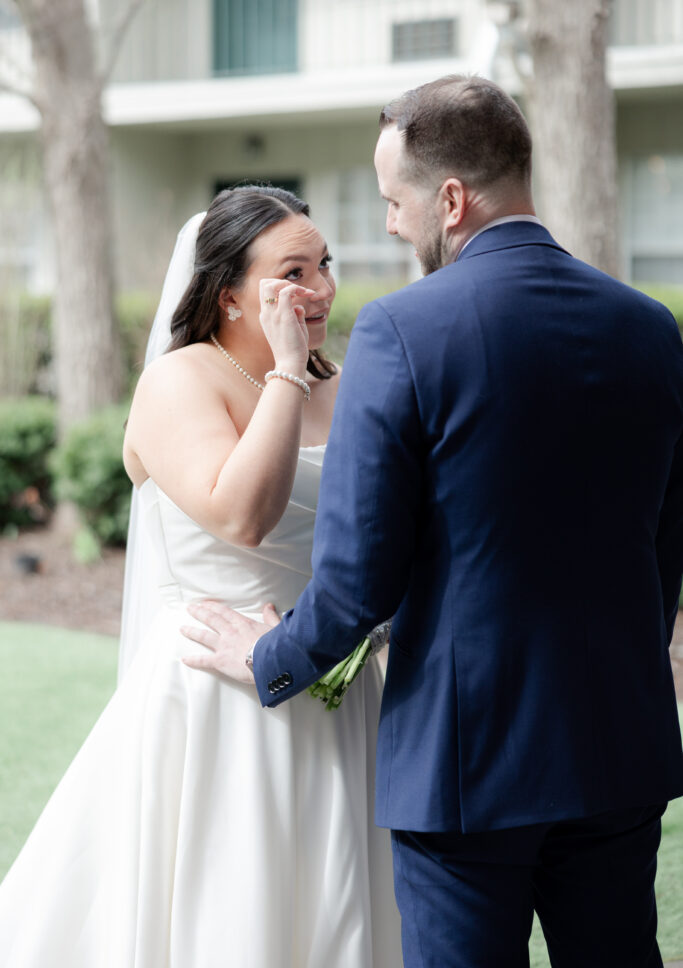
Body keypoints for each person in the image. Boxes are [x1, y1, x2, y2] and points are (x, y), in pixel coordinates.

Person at [183, 77, 683, 968]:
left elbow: (359, 574)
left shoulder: (400, 332)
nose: (388, 226)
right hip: (619, 746)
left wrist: (269, 656)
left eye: (392, 201)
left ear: (449, 200)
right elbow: (664, 546)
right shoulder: (650, 329)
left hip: (465, 768)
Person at [0, 185, 402, 968]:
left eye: (325, 265)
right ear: (229, 296)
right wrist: (288, 371)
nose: (320, 288)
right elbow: (242, 516)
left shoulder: (345, 387)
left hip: (334, 682)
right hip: (214, 696)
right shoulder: (180, 382)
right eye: (293, 271)